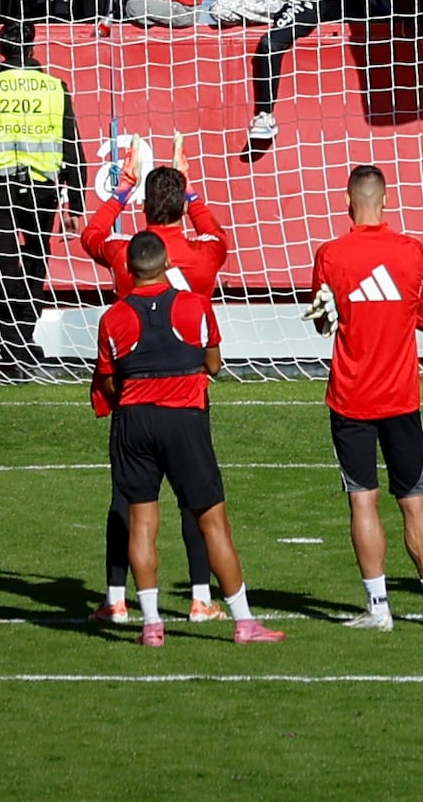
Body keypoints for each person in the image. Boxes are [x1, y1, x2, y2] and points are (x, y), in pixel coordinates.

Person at [94, 231, 275, 646]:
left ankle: (153, 625)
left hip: (134, 421)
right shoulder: (195, 306)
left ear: (127, 269)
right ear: (167, 263)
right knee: (213, 522)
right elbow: (214, 365)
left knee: (142, 521)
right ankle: (244, 621)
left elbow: (107, 381)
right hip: (185, 418)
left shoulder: (113, 317)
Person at [81, 162, 231, 625]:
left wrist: (121, 190)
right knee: (195, 498)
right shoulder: (205, 253)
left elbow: (91, 235)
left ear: (144, 205)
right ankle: (201, 597)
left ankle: (116, 598)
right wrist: (193, 194)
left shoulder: (129, 253)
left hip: (135, 395)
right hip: (188, 393)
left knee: (126, 499)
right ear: (182, 208)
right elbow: (216, 234)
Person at [310, 162, 423, 628]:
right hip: (401, 397)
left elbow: (322, 319)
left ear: (348, 200)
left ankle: (379, 609)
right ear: (385, 199)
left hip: (352, 397)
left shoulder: (331, 254)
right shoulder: (412, 252)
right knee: (414, 499)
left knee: (362, 500)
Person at [0, 16, 80, 367]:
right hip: (44, 187)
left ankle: (11, 342)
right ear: (33, 47)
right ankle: (25, 334)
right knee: (36, 259)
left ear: (1, 48)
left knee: (4, 265)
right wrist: (76, 204)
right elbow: (72, 147)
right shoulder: (55, 87)